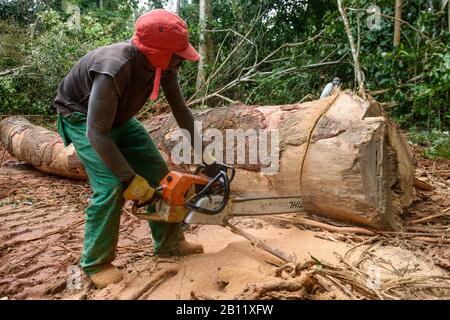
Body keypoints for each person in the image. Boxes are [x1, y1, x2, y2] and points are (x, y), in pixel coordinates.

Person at [54, 9, 214, 288]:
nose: (181, 59)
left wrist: (208, 157)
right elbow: (97, 132)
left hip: (119, 119)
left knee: (158, 174)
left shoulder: (163, 65)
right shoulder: (113, 68)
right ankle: (96, 261)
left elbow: (182, 112)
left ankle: (169, 243)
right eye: (178, 54)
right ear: (157, 51)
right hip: (82, 119)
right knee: (111, 185)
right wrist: (129, 179)